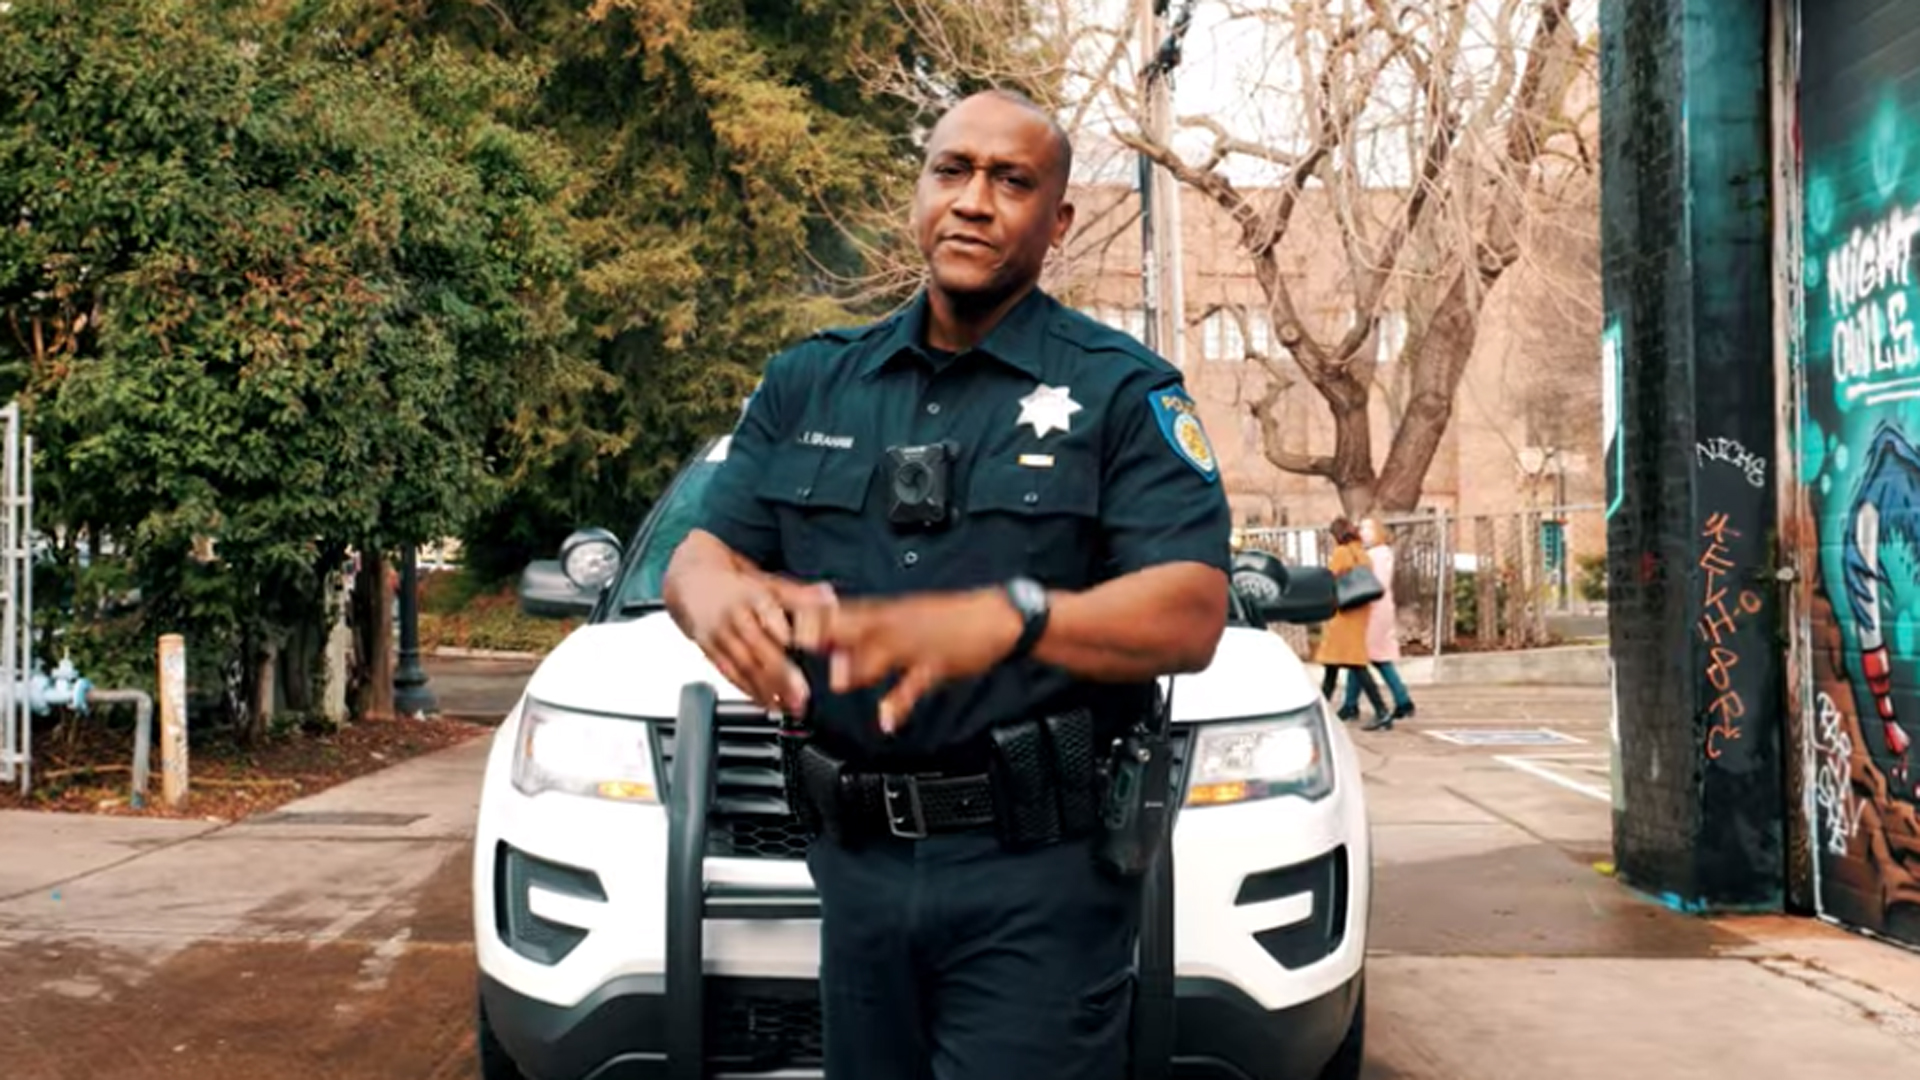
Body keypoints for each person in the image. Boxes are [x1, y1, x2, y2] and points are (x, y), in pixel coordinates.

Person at [661, 88, 1233, 1080]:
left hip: (1039, 876)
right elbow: (702, 552)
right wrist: (706, 597)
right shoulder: (810, 383)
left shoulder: (1120, 391)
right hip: (857, 872)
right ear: (918, 194)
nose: (974, 201)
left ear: (1056, 221)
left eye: (1011, 182)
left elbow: (1191, 611)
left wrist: (1012, 620)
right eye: (951, 170)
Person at [1316, 517, 1389, 727]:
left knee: (1346, 665)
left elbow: (1330, 578)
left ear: (1337, 535)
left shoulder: (1341, 553)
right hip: (1359, 612)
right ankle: (1325, 711)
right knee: (1343, 664)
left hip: (1342, 614)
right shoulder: (1362, 554)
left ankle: (1381, 710)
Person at [1344, 517, 1415, 730]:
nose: (1363, 531)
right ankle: (1353, 703)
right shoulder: (1381, 553)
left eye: (1367, 528)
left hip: (1373, 610)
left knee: (1368, 658)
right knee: (1366, 658)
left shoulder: (1376, 555)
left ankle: (1400, 700)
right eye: (1361, 527)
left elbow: (1375, 584)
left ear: (1378, 531)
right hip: (1378, 609)